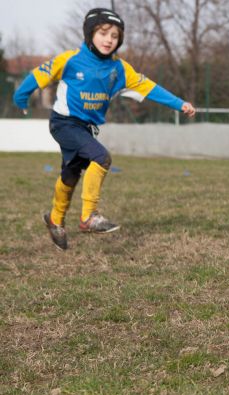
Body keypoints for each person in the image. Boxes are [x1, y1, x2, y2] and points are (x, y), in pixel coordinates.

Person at [13, 8, 196, 250]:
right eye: (103, 33)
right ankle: (89, 216)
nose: (109, 39)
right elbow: (38, 76)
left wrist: (179, 103)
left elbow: (149, 88)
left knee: (70, 175)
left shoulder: (119, 69)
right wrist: (20, 98)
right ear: (90, 33)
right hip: (63, 123)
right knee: (101, 157)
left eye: (115, 36)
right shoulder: (69, 59)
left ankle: (55, 219)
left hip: (86, 129)